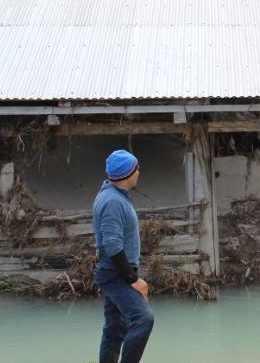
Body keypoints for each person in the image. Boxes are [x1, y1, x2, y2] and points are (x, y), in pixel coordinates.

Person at [93, 149, 154, 362]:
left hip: (114, 271)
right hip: (115, 273)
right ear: (129, 174)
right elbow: (112, 246)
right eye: (137, 168)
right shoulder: (113, 202)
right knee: (143, 319)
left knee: (115, 328)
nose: (139, 172)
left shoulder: (112, 194)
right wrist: (134, 279)